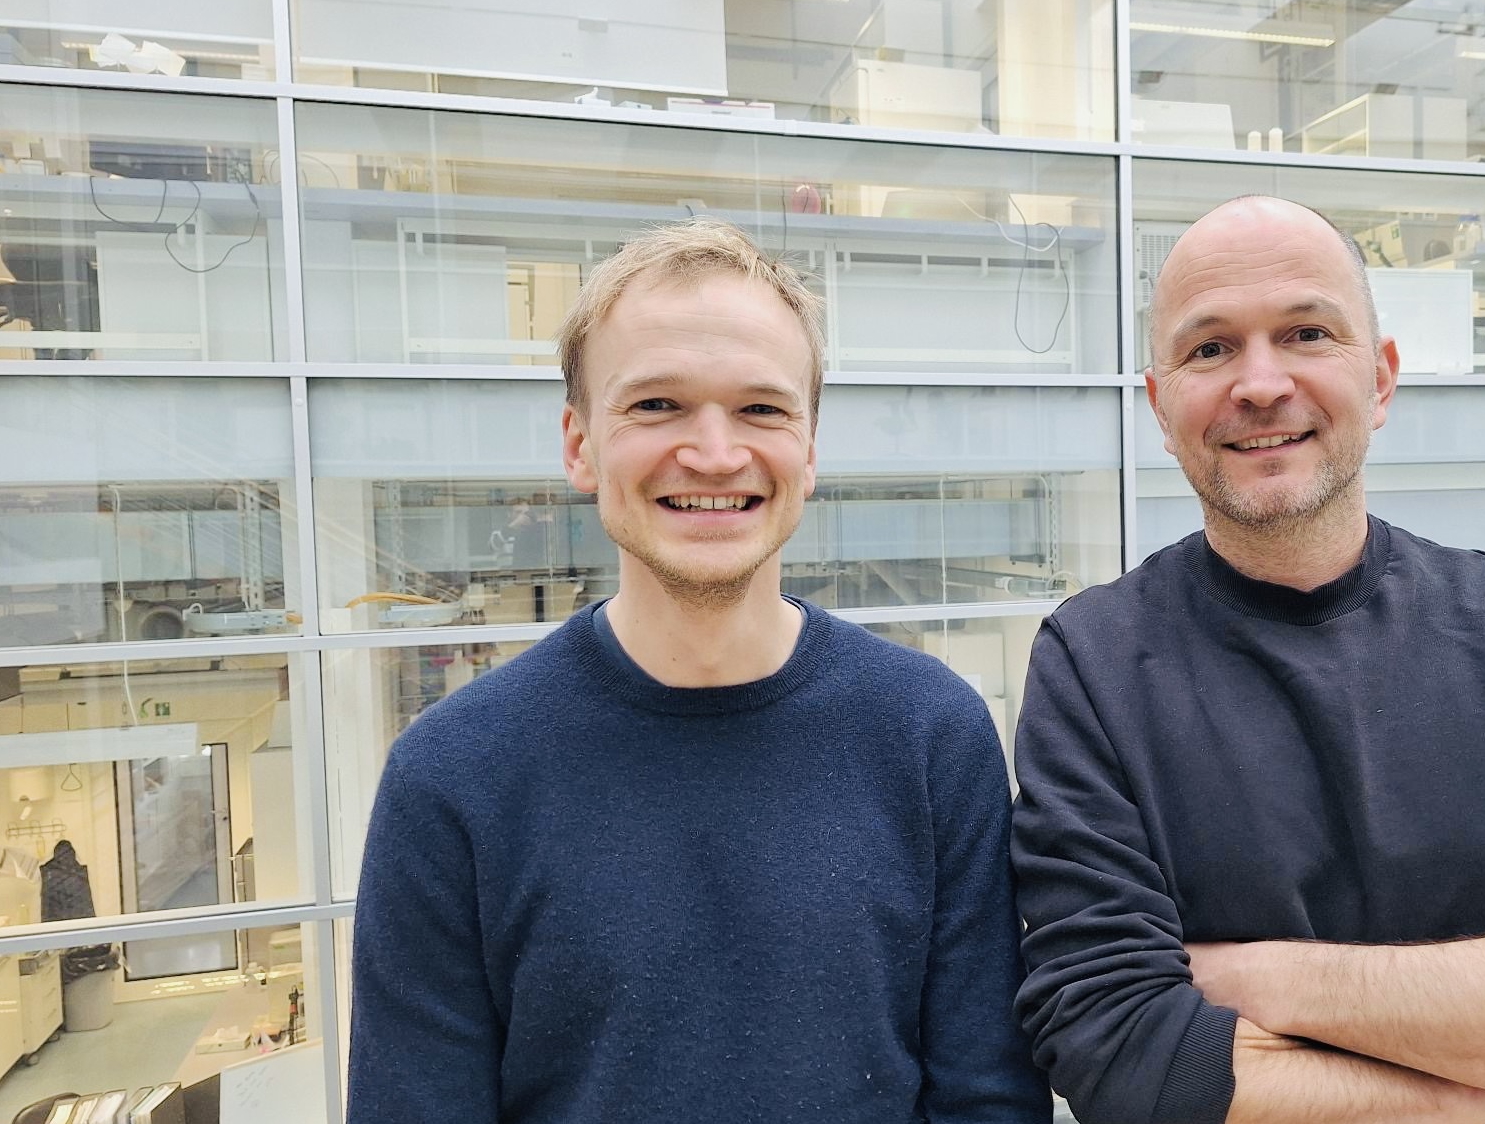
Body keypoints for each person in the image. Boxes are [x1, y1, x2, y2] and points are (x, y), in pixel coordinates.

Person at [1010, 196, 1485, 1124]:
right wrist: (1483, 1080)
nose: (1260, 384)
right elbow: (1118, 1053)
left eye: (1306, 332)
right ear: (1161, 404)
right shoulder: (1093, 664)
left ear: (1381, 381)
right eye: (1210, 348)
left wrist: (1240, 977)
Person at [348, 218, 1049, 1124]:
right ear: (579, 445)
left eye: (761, 408)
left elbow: (989, 1098)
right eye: (656, 406)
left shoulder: (929, 735)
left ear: (810, 447)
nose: (716, 454)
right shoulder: (451, 776)